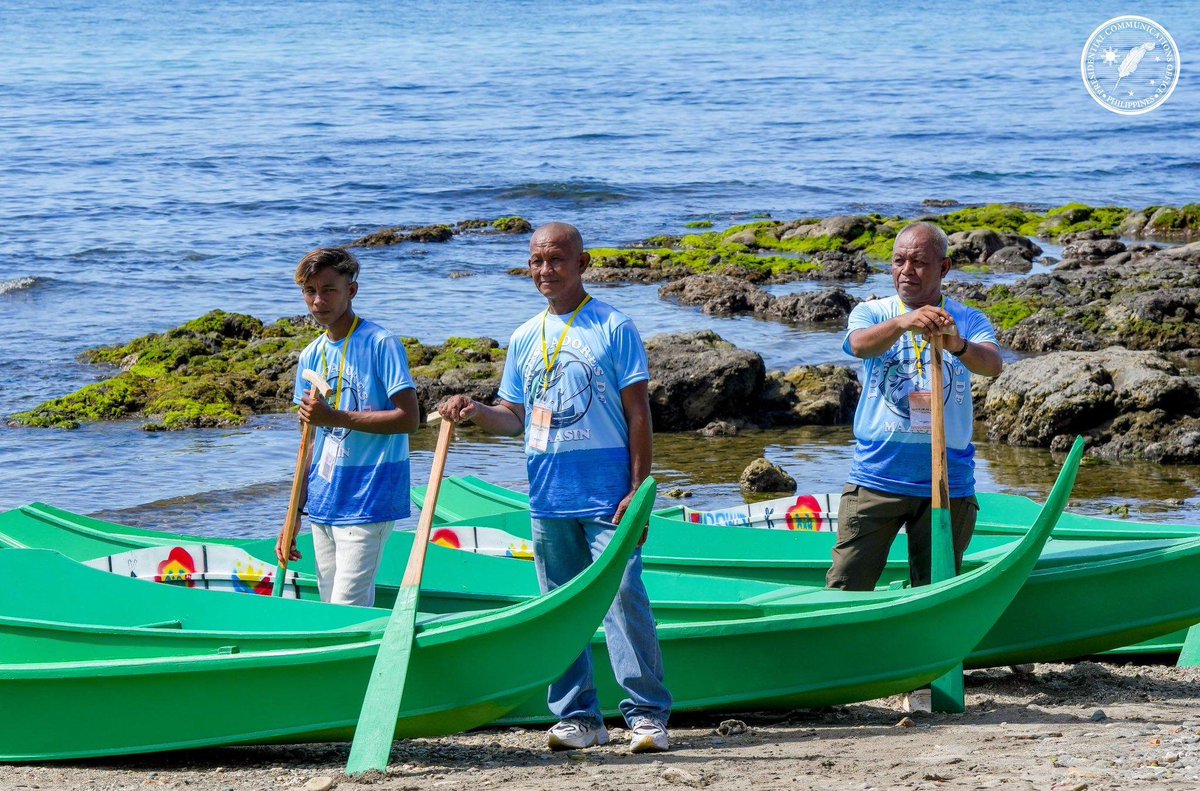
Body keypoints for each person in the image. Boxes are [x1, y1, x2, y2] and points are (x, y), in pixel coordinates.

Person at [437, 222, 672, 754]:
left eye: (557, 259)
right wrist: (475, 410)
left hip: (608, 494)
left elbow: (639, 414)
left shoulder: (613, 326)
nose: (546, 270)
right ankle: (579, 717)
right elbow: (514, 416)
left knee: (623, 597)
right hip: (548, 493)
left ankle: (647, 715)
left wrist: (639, 489)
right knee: (559, 606)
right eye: (537, 261)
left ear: (582, 264)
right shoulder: (525, 335)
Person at [826, 221, 1003, 594]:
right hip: (877, 477)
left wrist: (957, 345)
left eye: (919, 262)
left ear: (944, 268)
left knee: (936, 588)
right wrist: (903, 322)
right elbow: (859, 345)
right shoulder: (873, 312)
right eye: (898, 261)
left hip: (947, 481)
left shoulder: (968, 319)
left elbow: (992, 365)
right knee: (847, 584)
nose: (906, 271)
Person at [276, 247, 419, 607]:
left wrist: (335, 417)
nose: (318, 301)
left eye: (328, 290)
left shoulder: (381, 344)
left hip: (369, 498)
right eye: (310, 291)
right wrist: (294, 514)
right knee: (330, 609)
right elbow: (309, 443)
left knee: (347, 607)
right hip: (324, 501)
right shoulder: (311, 355)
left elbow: (409, 419)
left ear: (351, 290)